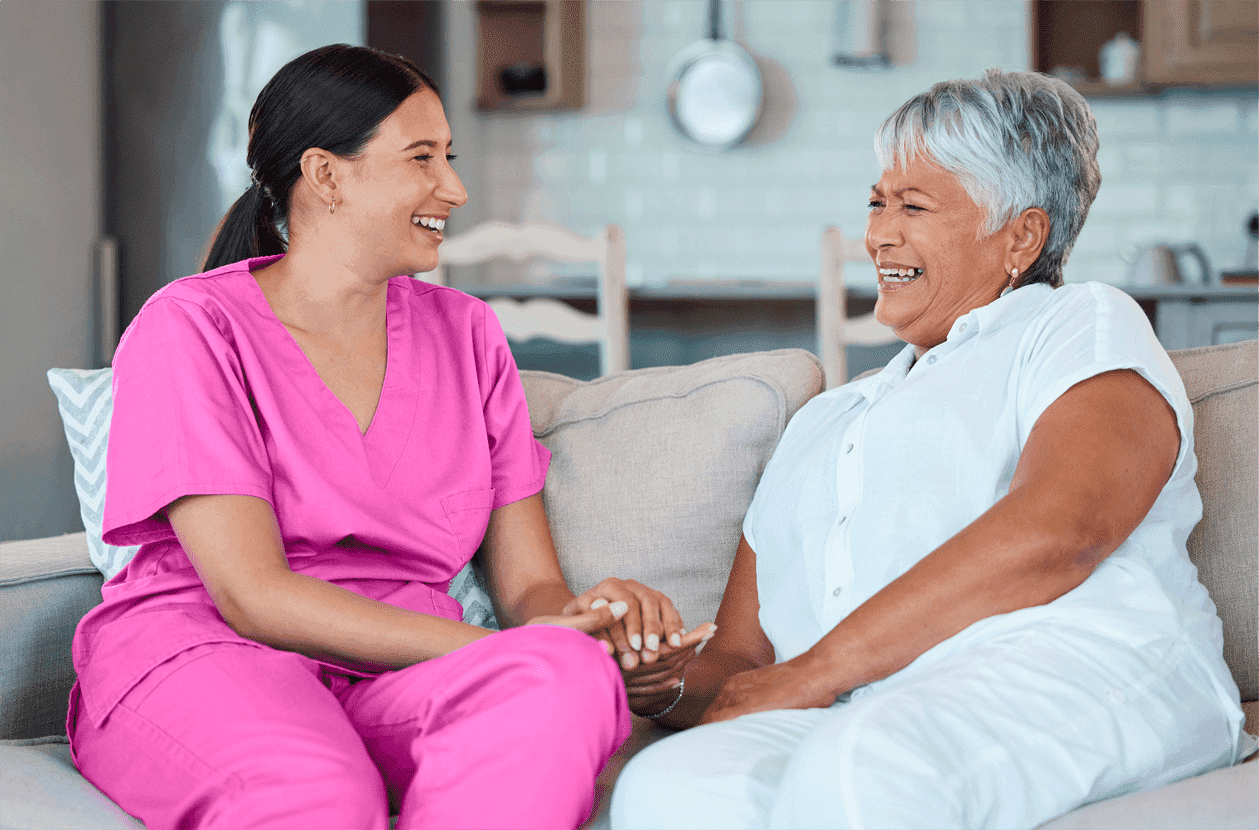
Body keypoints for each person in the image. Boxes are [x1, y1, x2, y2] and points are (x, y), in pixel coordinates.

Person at [67, 44, 712, 830]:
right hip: (211, 653)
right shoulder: (191, 327)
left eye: (449, 156)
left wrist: (591, 633)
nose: (455, 187)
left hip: (399, 672)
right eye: (422, 158)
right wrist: (489, 653)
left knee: (564, 675)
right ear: (327, 175)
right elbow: (252, 595)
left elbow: (528, 590)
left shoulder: (468, 335)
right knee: (316, 794)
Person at [611, 68, 1256, 830]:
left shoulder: (1076, 325)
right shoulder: (824, 421)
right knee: (667, 787)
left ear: (1021, 235)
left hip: (1083, 667)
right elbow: (749, 662)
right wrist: (663, 681)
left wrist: (817, 672)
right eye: (877, 202)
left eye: (913, 206)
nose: (879, 233)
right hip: (870, 704)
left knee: (864, 766)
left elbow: (1064, 528)